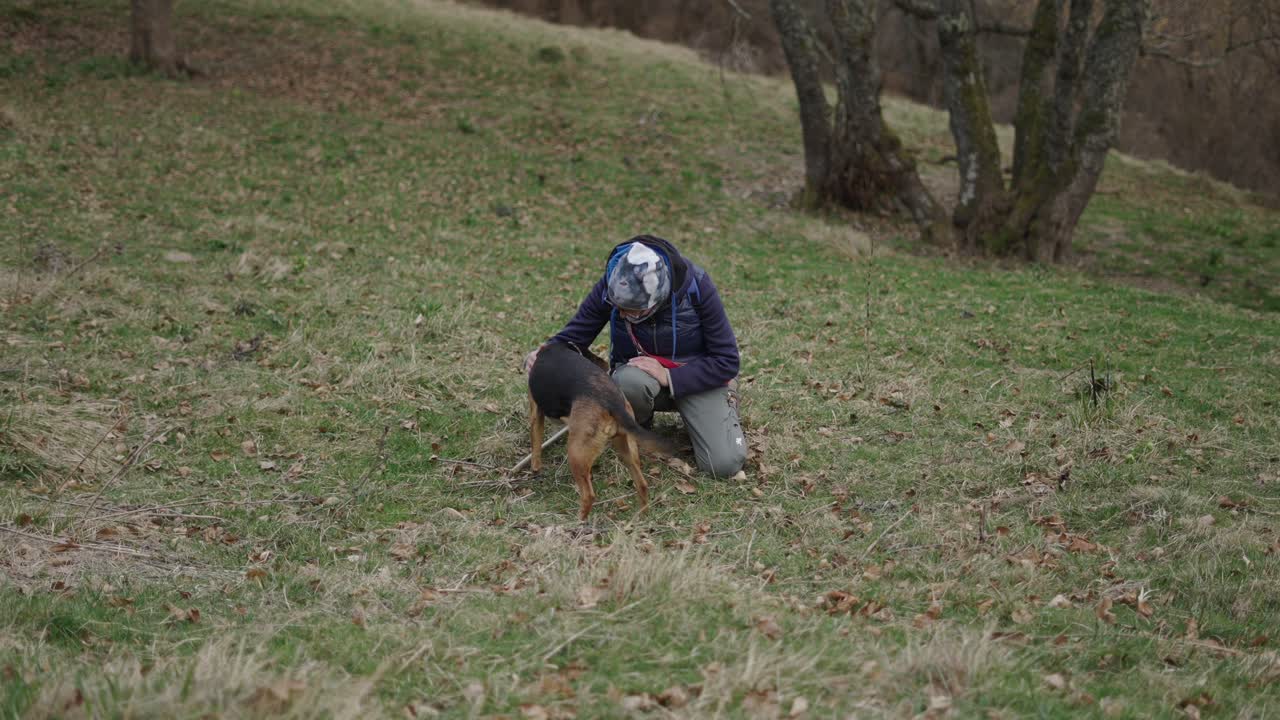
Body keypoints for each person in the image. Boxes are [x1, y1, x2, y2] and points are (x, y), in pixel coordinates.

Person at [525, 234, 746, 478]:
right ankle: (639, 423)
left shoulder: (697, 286)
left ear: (657, 299)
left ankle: (723, 407)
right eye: (618, 309)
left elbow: (727, 361)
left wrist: (668, 376)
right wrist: (545, 353)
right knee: (628, 381)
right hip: (639, 378)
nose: (622, 314)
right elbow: (574, 336)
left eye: (633, 312)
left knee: (724, 465)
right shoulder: (617, 282)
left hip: (697, 376)